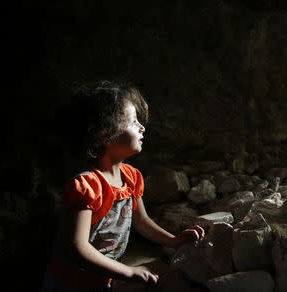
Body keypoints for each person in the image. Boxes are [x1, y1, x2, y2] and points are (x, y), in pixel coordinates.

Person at [41, 80, 204, 291]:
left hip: (102, 280)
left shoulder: (131, 177)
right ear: (105, 134)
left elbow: (142, 221)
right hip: (70, 283)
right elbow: (76, 248)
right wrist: (128, 271)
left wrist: (173, 241)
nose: (142, 127)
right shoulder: (87, 186)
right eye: (133, 121)